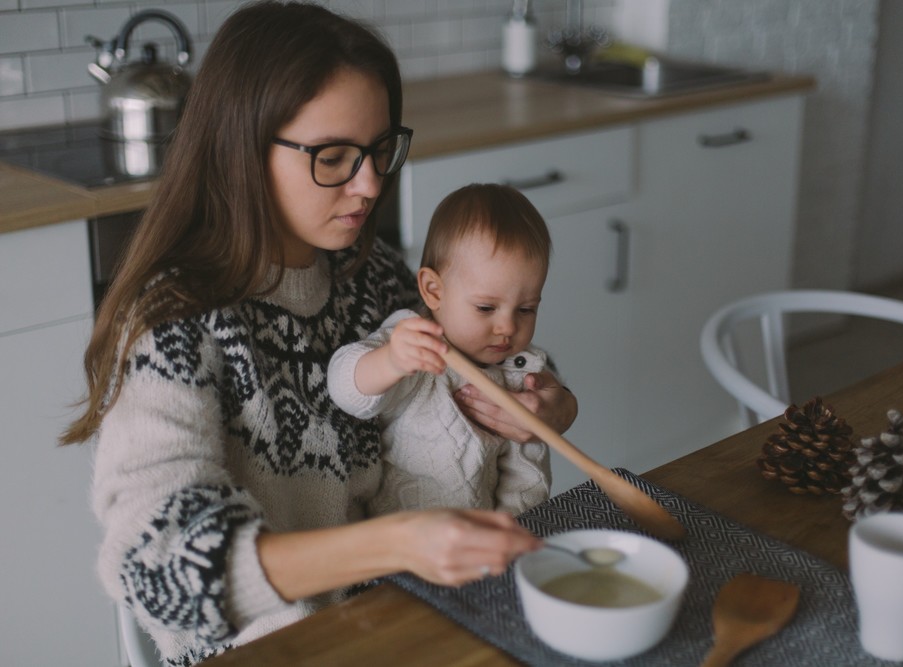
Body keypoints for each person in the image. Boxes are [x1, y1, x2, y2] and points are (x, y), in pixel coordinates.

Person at [58, 2, 577, 664]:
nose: (368, 185)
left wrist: (547, 400)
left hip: (398, 618)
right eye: (333, 157)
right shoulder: (173, 321)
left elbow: (489, 355)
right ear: (242, 147)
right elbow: (156, 566)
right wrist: (400, 542)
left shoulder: (376, 277)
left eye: (380, 150)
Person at [329, 183, 555, 517]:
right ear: (434, 290)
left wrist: (511, 533)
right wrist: (390, 361)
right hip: (401, 545)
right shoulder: (411, 342)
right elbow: (344, 389)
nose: (508, 328)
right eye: (485, 308)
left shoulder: (521, 372)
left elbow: (527, 479)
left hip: (482, 547)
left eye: (526, 309)